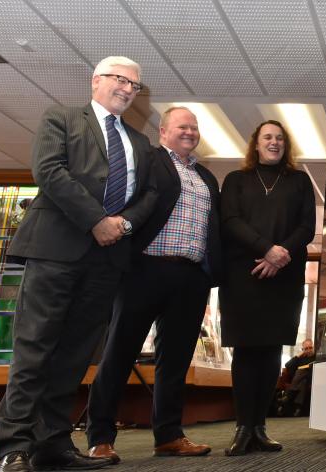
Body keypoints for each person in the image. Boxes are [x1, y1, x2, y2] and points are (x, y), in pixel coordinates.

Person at [0, 56, 156, 472]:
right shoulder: (62, 118)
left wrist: (122, 224)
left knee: (74, 355)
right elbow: (49, 172)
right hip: (56, 250)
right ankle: (14, 446)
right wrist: (96, 221)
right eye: (120, 79)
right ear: (96, 80)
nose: (127, 88)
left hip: (106, 261)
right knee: (35, 349)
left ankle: (52, 445)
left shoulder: (140, 142)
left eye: (135, 85)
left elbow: (149, 196)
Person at [84, 106, 223, 464]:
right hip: (143, 271)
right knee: (118, 354)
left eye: (194, 127)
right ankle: (99, 436)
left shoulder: (207, 177)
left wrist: (210, 274)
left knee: (174, 361)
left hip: (191, 277)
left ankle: (169, 436)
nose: (190, 132)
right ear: (163, 132)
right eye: (182, 126)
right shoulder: (148, 161)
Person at [219, 120, 316, 456]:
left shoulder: (300, 181)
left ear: (285, 145)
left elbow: (307, 225)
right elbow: (230, 221)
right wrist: (266, 249)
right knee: (246, 351)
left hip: (285, 276)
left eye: (279, 138)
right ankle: (243, 428)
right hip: (244, 276)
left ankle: (260, 427)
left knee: (273, 351)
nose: (274, 143)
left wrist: (280, 254)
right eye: (267, 138)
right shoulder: (235, 180)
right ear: (256, 144)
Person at [277, 339, 315, 416]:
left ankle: (288, 396)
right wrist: (298, 356)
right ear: (303, 349)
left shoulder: (316, 357)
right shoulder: (300, 358)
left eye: (310, 348)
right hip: (302, 381)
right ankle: (298, 408)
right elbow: (287, 365)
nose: (309, 350)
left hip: (312, 378)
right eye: (306, 348)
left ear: (313, 347)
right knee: (302, 381)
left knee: (300, 371)